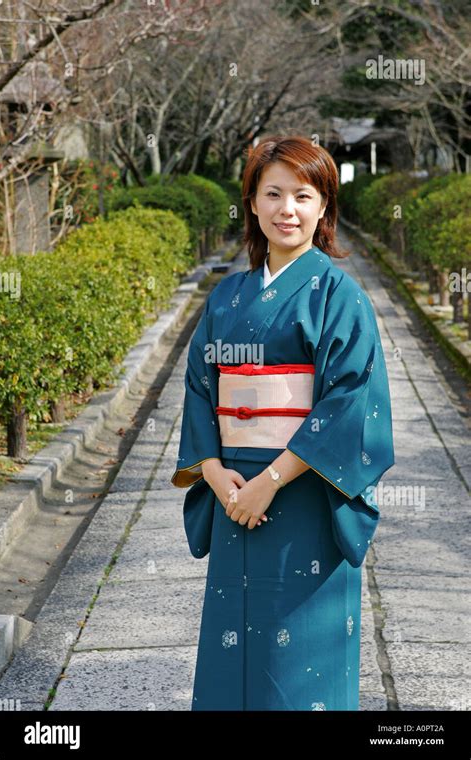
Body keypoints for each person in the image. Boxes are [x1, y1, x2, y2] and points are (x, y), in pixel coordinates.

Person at [171, 134, 395, 711]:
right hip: (232, 492)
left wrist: (269, 481)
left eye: (303, 195)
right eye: (273, 193)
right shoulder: (226, 297)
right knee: (233, 641)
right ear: (251, 201)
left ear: (324, 206)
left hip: (305, 489)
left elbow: (350, 403)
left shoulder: (341, 297)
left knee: (302, 662)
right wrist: (217, 476)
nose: (286, 210)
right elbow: (201, 388)